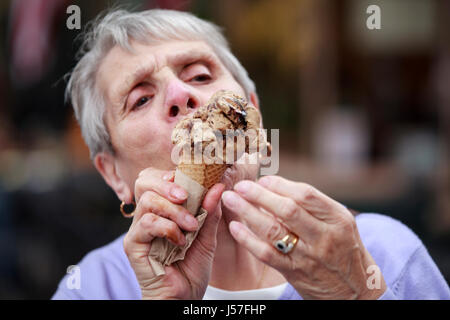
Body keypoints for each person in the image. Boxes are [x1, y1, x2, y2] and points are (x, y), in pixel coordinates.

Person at [52, 8, 450, 300]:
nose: (180, 94)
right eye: (140, 99)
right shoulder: (92, 286)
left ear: (254, 118)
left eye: (200, 75)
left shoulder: (378, 252)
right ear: (114, 175)